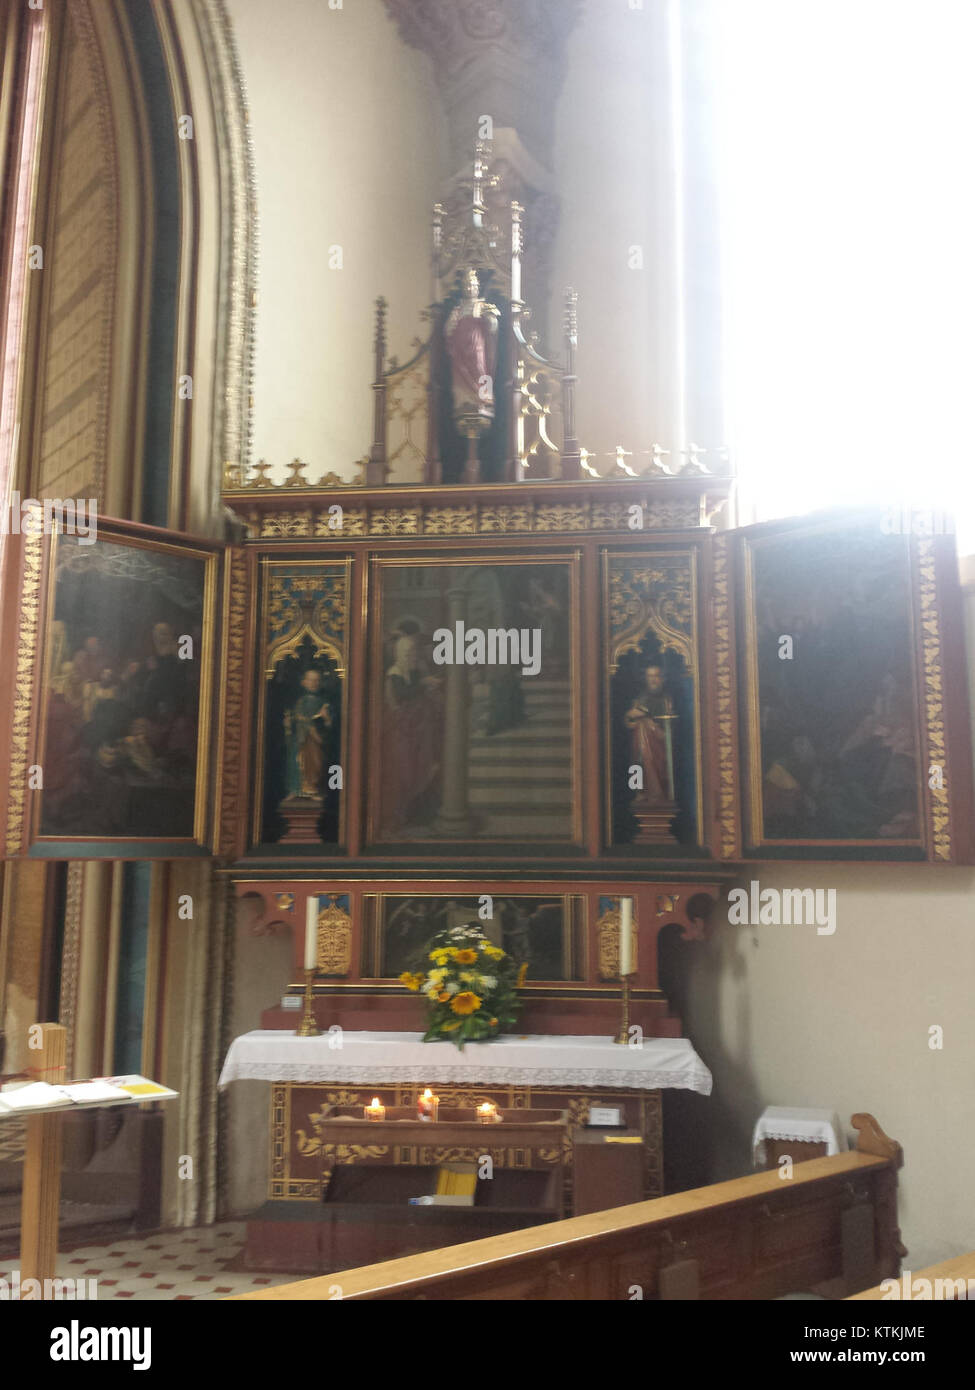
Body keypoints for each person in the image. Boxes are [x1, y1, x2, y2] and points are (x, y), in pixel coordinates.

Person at [624, 663, 676, 805]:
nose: (653, 680)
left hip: (659, 744)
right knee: (637, 764)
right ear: (645, 679)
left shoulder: (666, 699)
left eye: (656, 676)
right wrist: (632, 717)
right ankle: (639, 792)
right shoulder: (641, 698)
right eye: (650, 676)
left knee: (656, 765)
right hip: (639, 745)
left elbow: (670, 724)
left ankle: (659, 793)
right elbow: (629, 721)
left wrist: (647, 720)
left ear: (662, 678)